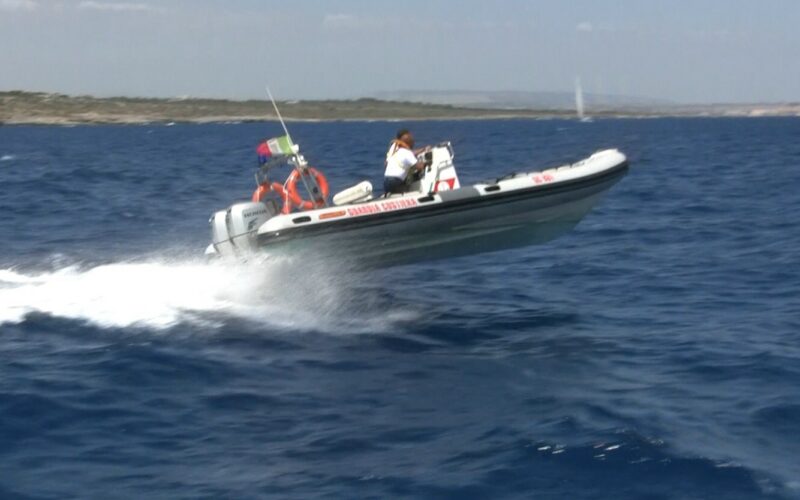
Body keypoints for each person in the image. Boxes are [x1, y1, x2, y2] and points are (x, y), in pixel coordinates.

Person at [383, 129, 429, 195]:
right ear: (410, 143)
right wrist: (426, 163)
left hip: (386, 181)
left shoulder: (394, 148)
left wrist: (423, 149)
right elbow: (420, 167)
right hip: (395, 182)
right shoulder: (407, 153)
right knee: (411, 184)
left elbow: (386, 163)